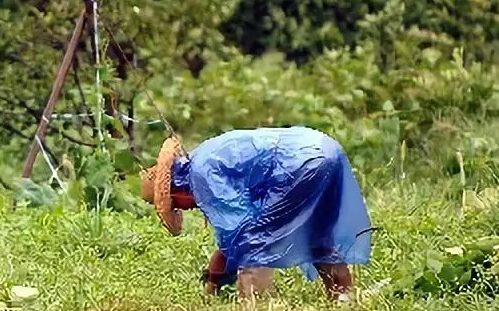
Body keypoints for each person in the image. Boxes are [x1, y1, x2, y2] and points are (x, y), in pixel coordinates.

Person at [140, 127, 373, 300]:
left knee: (256, 241)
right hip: (324, 148)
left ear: (176, 192)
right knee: (318, 231)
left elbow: (239, 228)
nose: (186, 209)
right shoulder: (202, 158)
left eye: (176, 205)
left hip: (298, 164)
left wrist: (214, 280)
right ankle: (344, 297)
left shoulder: (200, 177)